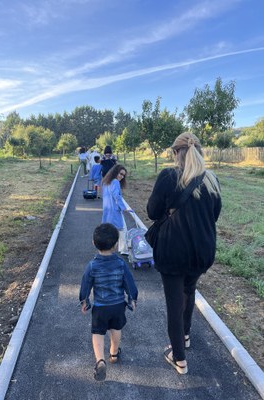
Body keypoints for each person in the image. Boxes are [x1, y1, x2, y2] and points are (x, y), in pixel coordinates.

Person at [146, 132, 222, 375]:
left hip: (173, 250)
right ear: (199, 151)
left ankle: (179, 358)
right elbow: (214, 214)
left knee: (174, 302)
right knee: (190, 291)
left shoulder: (168, 176)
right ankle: (186, 336)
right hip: (202, 252)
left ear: (175, 153)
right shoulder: (211, 179)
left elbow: (152, 211)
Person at [79, 223, 138, 381]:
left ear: (93, 243)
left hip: (100, 307)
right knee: (116, 328)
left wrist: (84, 301)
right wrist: (132, 298)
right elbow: (129, 282)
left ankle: (100, 360)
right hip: (118, 306)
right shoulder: (120, 264)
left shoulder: (92, 266)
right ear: (116, 244)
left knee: (98, 333)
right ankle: (113, 353)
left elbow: (86, 284)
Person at [102, 164, 132, 254]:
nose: (122, 177)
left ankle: (106, 247)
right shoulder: (115, 182)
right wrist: (123, 208)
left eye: (123, 175)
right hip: (114, 210)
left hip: (107, 210)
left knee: (108, 229)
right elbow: (117, 196)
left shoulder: (106, 182)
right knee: (121, 229)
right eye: (121, 174)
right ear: (116, 172)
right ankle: (123, 249)